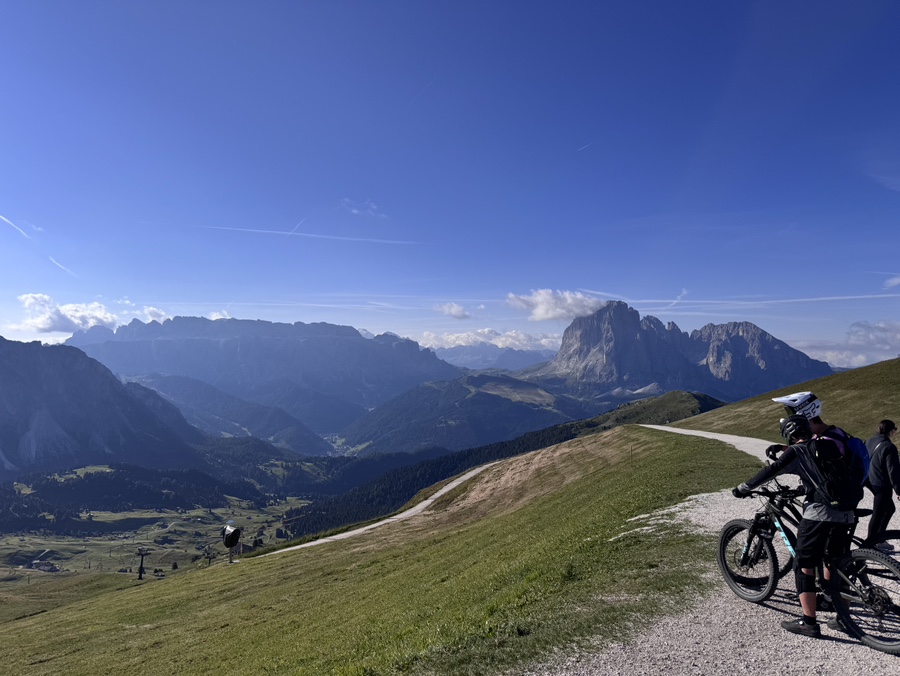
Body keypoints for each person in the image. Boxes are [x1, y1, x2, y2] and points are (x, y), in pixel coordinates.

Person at [732, 414, 863, 638]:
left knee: (804, 564)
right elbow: (826, 476)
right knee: (836, 561)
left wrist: (743, 488)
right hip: (846, 511)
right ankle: (843, 617)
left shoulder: (796, 451)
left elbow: (770, 471)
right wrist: (805, 489)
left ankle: (808, 622)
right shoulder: (825, 444)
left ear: (789, 435)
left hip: (819, 513)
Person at [865, 419, 900, 548]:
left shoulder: (870, 440)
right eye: (895, 430)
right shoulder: (889, 447)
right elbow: (893, 471)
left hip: (870, 480)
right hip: (881, 483)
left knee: (889, 508)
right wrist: (899, 490)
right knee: (878, 513)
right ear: (891, 431)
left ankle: (879, 539)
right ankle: (871, 544)